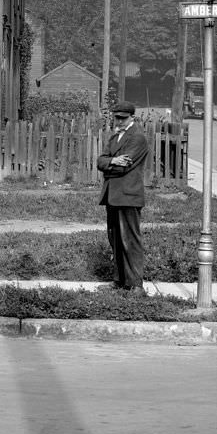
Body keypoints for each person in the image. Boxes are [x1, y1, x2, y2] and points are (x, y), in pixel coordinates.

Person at [95, 101, 149, 294]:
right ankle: (119, 281)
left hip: (128, 196)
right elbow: (100, 161)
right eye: (116, 117)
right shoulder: (115, 137)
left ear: (132, 117)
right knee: (116, 240)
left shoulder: (138, 138)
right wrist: (111, 161)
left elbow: (122, 166)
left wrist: (109, 164)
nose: (118, 121)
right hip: (113, 196)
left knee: (130, 241)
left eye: (122, 118)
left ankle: (136, 285)